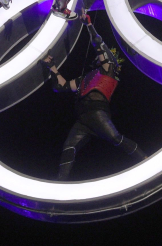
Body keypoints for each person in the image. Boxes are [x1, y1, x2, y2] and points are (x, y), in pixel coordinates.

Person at [42, 16, 146, 181]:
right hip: (83, 119)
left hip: (97, 112)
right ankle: (61, 184)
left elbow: (98, 44)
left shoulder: (108, 68)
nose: (98, 57)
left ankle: (145, 161)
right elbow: (61, 86)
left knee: (115, 138)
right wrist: (52, 66)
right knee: (69, 147)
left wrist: (89, 24)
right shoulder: (87, 78)